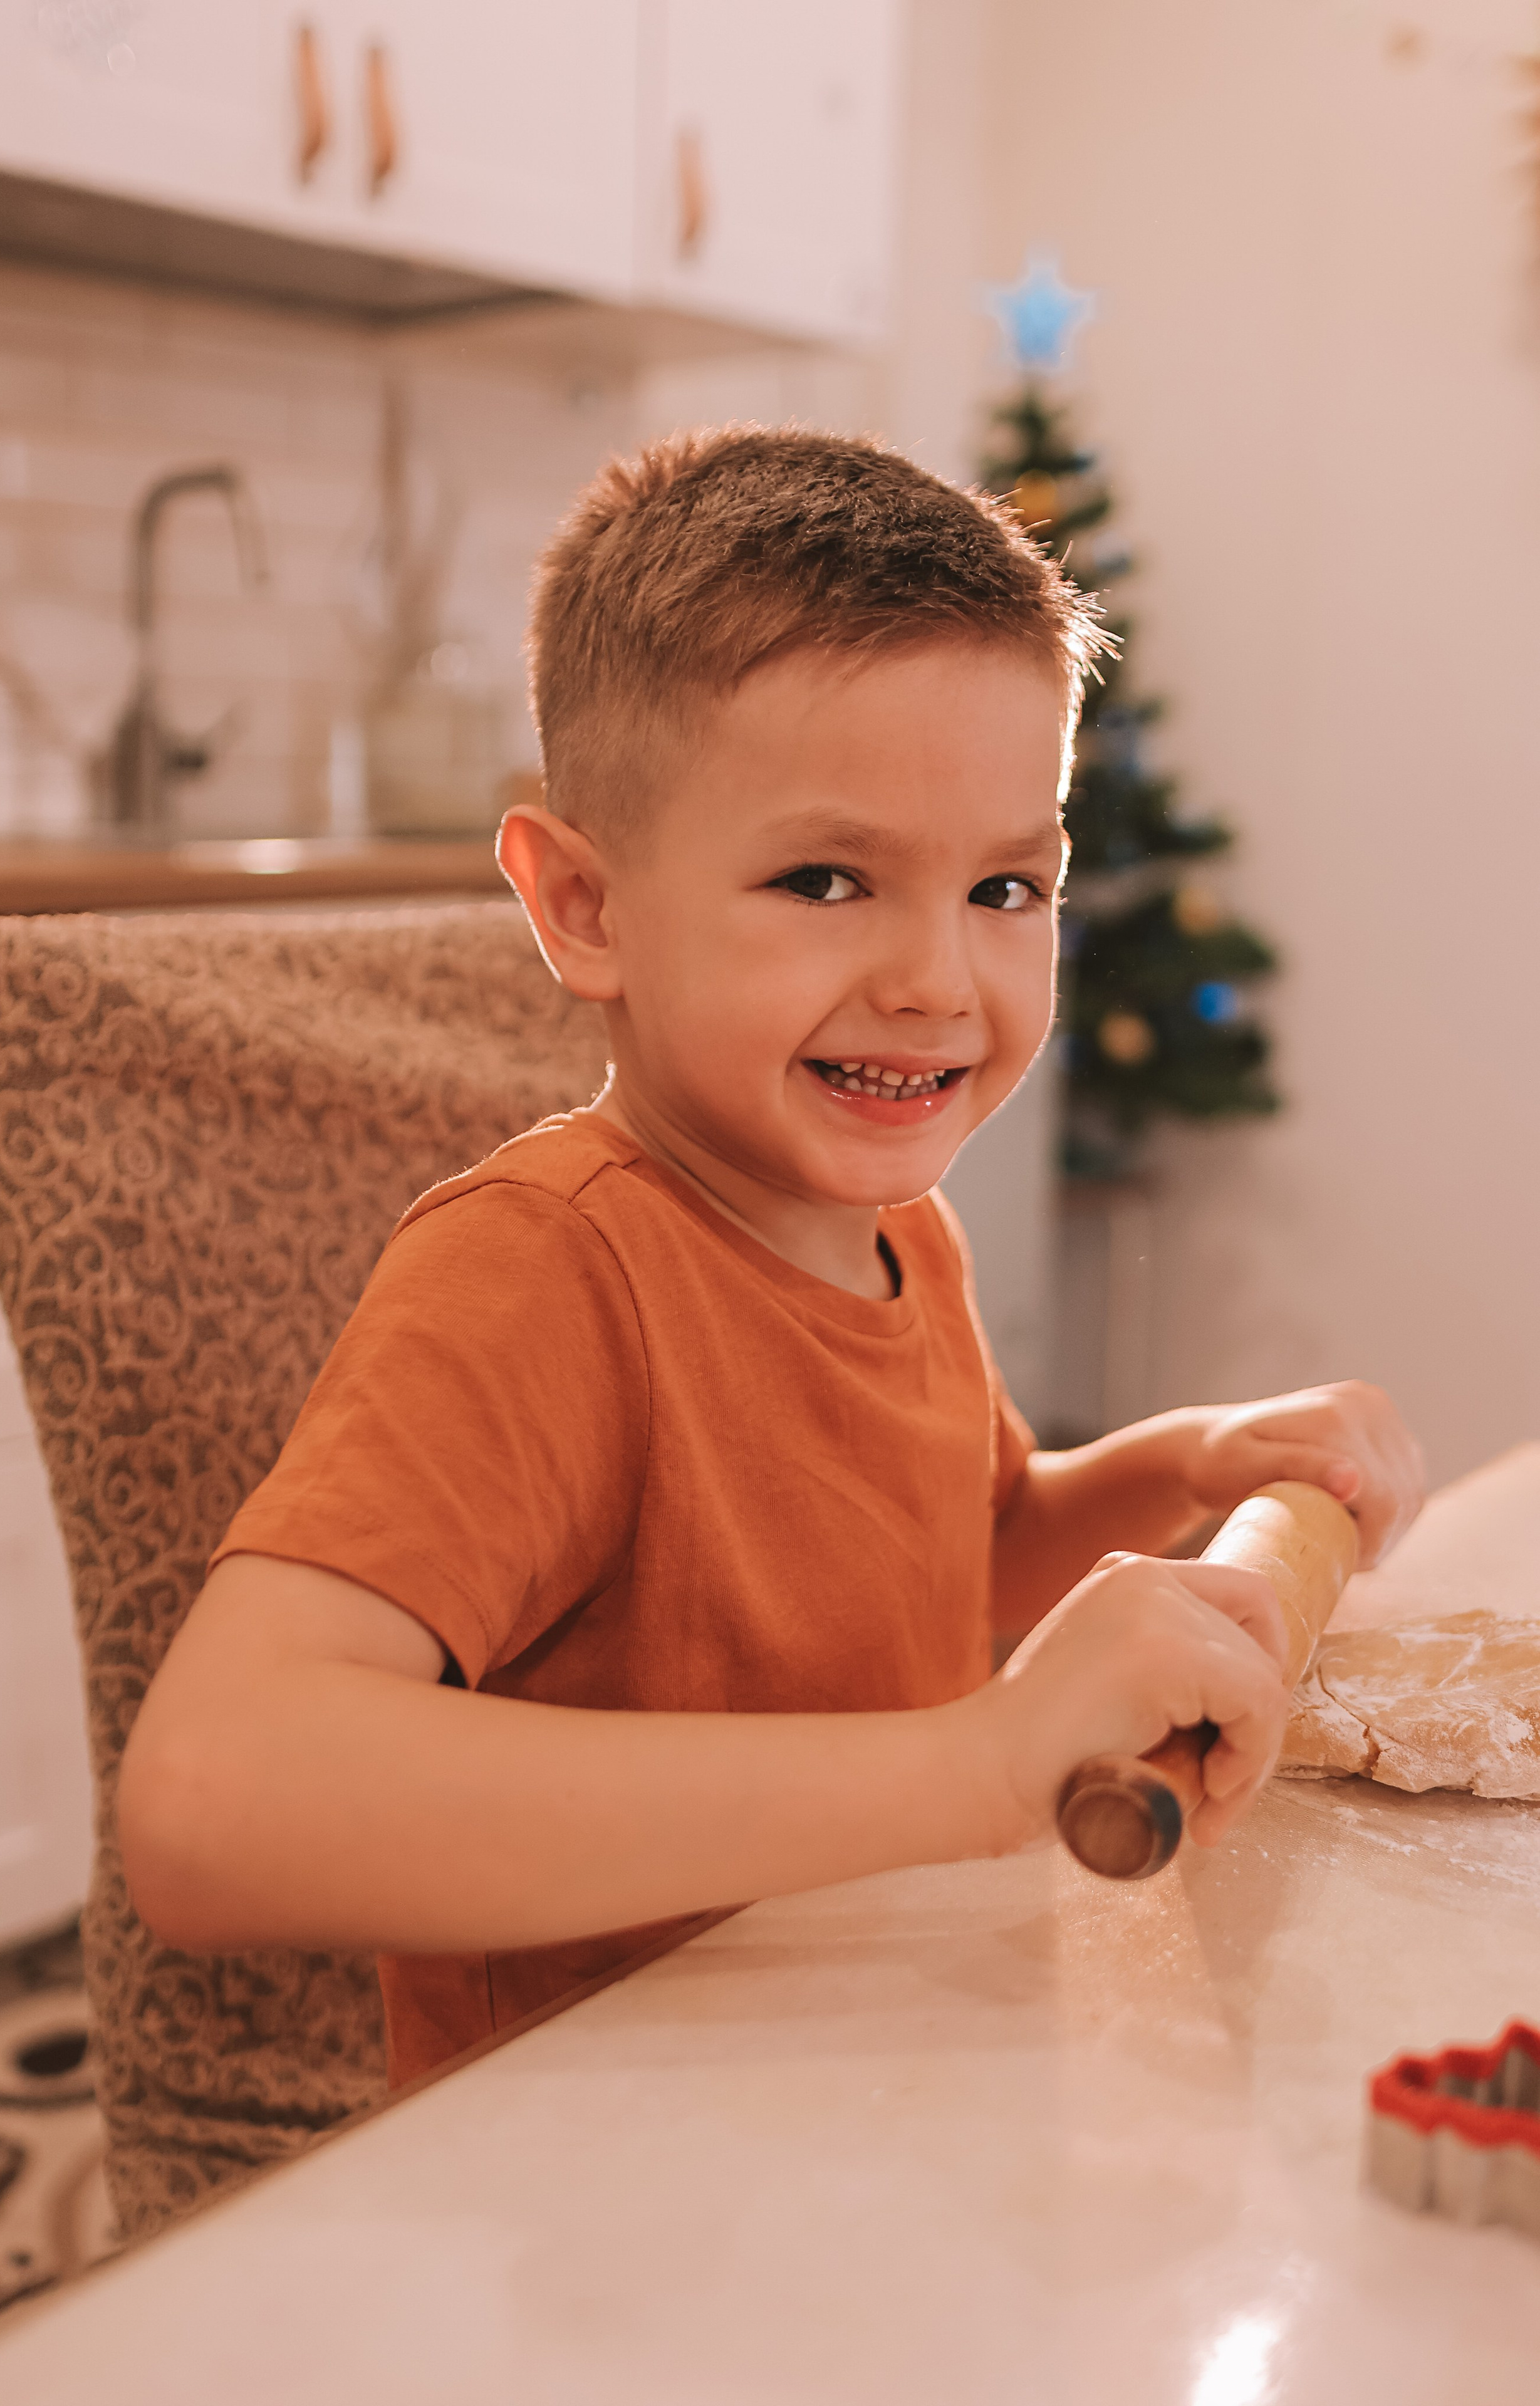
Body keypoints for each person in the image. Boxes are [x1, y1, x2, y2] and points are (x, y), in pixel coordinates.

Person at [118, 428, 1423, 2086]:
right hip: (599, 2203)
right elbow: (216, 1803)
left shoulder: (898, 1239)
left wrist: (1192, 1463)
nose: (939, 982)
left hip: (880, 2085)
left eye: (1007, 886)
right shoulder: (548, 1273)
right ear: (585, 908)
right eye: (828, 879)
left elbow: (960, 1551)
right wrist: (976, 1763)